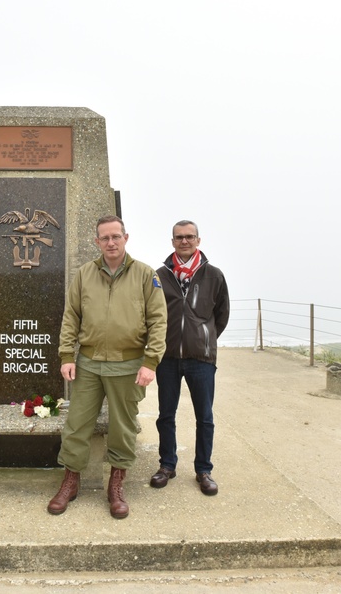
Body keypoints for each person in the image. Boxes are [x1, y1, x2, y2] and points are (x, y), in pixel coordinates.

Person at [48, 215, 167, 519]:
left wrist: (150, 361)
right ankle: (70, 482)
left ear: (126, 238)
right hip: (88, 365)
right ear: (96, 241)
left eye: (116, 236)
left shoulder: (145, 275)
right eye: (105, 238)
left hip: (128, 367)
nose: (111, 242)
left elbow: (158, 320)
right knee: (76, 425)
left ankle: (116, 485)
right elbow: (71, 317)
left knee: (123, 428)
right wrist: (66, 356)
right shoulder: (85, 274)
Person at [150, 220, 230, 496]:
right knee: (166, 415)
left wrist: (204, 338)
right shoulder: (159, 275)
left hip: (201, 359)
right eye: (179, 237)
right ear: (172, 241)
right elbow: (152, 313)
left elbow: (221, 315)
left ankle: (203, 470)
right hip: (168, 357)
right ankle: (167, 465)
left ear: (198, 240)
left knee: (204, 417)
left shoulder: (214, 275)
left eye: (189, 237)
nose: (184, 241)